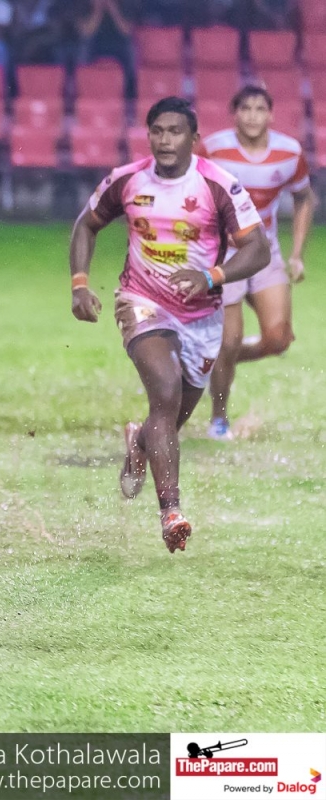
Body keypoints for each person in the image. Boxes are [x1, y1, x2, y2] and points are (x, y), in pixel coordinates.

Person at [69, 97, 269, 552]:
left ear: (194, 138)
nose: (164, 140)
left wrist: (210, 276)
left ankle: (139, 442)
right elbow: (86, 224)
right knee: (164, 391)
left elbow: (258, 249)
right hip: (141, 301)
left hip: (202, 316)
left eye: (175, 131)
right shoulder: (127, 180)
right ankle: (171, 512)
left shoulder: (218, 184)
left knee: (171, 415)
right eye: (157, 131)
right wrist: (80, 284)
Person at [200, 86, 315, 441]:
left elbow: (304, 198)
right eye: (245, 108)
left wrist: (297, 253)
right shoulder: (213, 150)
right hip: (225, 255)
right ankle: (219, 419)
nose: (252, 115)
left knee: (278, 339)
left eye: (259, 108)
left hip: (266, 253)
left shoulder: (289, 153)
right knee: (229, 340)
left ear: (271, 114)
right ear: (234, 113)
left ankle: (211, 365)